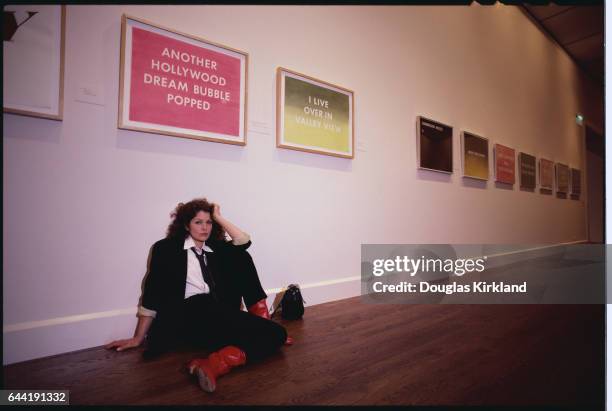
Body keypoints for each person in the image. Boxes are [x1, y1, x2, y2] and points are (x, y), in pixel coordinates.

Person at [105, 198, 289, 392]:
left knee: (277, 333)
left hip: (215, 312)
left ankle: (213, 364)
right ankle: (232, 348)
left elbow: (243, 241)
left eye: (208, 222)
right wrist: (138, 338)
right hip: (188, 313)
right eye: (198, 222)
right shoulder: (166, 249)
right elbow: (152, 293)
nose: (205, 228)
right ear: (186, 225)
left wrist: (218, 216)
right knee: (269, 334)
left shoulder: (215, 248)